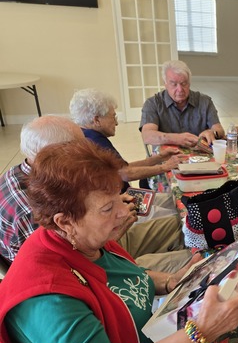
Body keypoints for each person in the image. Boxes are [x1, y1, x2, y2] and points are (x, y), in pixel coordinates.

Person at [0, 139, 238, 343]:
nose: (122, 211)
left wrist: (170, 281)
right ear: (65, 221)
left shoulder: (83, 239)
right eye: (107, 208)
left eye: (118, 197)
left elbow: (116, 281)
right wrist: (200, 334)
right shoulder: (47, 298)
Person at [0, 116, 191, 273]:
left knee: (184, 226)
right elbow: (67, 270)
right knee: (192, 260)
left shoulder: (39, 173)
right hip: (91, 267)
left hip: (97, 244)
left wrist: (108, 207)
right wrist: (116, 228)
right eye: (80, 147)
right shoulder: (30, 209)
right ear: (51, 154)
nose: (87, 151)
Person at [71, 88, 188, 222]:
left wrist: (159, 158)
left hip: (128, 198)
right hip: (123, 207)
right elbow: (126, 173)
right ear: (96, 119)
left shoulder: (88, 135)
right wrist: (164, 167)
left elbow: (122, 168)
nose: (116, 122)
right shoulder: (95, 142)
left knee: (178, 200)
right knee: (183, 217)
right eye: (113, 116)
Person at [140, 60, 225, 148]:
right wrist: (177, 139)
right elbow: (147, 136)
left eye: (184, 84)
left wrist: (212, 133)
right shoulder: (153, 103)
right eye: (174, 84)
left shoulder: (204, 101)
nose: (180, 89)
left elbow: (219, 130)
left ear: (189, 83)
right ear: (165, 84)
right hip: (167, 155)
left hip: (199, 154)